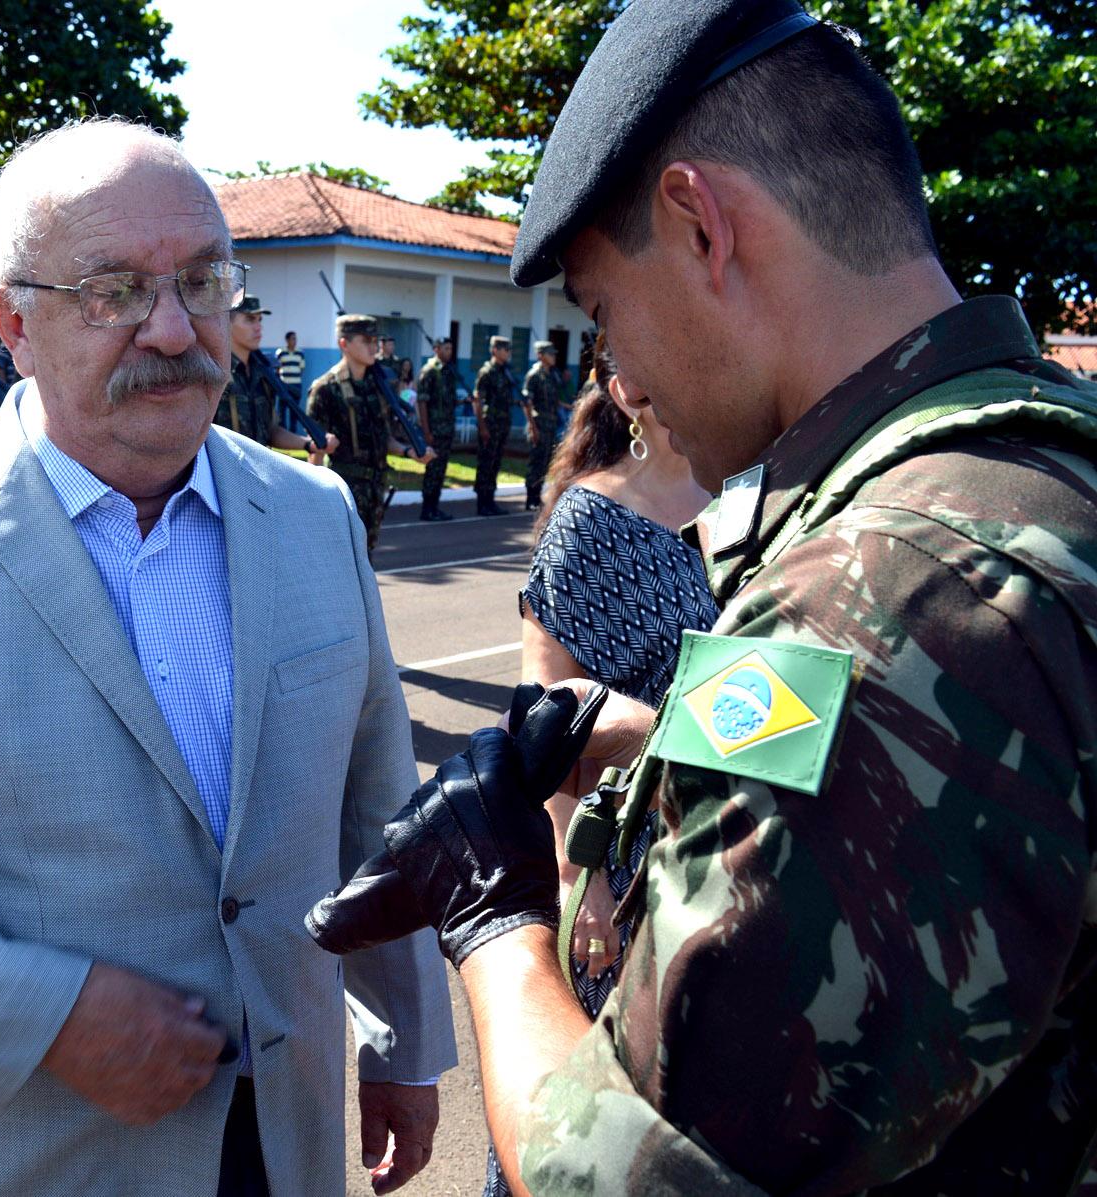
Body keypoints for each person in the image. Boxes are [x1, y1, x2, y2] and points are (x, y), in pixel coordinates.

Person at [306, 1, 1097, 1192]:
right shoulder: (1031, 466)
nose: (615, 377)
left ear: (702, 227)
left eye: (604, 313)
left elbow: (618, 1176)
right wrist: (657, 733)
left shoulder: (879, 584)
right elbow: (934, 743)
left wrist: (491, 910)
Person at [0, 119, 456, 1197]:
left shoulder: (312, 514)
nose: (172, 329)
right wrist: (45, 1013)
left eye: (203, 282)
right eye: (112, 290)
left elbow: (375, 810)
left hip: (280, 1138)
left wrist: (404, 1041)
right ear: (14, 324)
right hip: (33, 1154)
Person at [471, 339, 715, 1197]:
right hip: (624, 851)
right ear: (627, 391)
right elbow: (548, 731)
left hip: (728, 837)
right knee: (593, 1118)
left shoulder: (756, 497)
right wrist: (585, 879)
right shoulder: (591, 522)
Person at [307, 315, 435, 554]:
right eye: (366, 340)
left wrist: (409, 452)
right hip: (343, 492)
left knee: (366, 561)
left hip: (375, 490)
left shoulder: (378, 386)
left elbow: (383, 437)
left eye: (375, 340)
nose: (373, 347)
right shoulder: (326, 389)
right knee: (338, 561)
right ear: (344, 344)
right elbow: (316, 452)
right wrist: (314, 501)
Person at [213, 293, 334, 460]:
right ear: (227, 323)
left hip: (258, 472)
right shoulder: (213, 372)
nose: (258, 327)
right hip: (222, 475)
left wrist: (307, 444)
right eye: (250, 319)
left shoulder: (263, 372)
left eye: (259, 320)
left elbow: (271, 429)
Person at [413, 338, 462, 521]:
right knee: (433, 469)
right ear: (436, 349)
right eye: (446, 348)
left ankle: (435, 506)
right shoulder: (429, 372)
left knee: (440, 470)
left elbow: (448, 400)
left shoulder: (448, 371)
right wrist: (426, 431)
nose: (449, 352)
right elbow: (422, 402)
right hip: (434, 429)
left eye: (451, 348)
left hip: (446, 428)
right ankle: (427, 508)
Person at [521, 341, 568, 510]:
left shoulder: (552, 375)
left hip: (550, 425)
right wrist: (532, 427)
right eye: (550, 354)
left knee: (545, 462)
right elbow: (526, 403)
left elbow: (555, 400)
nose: (554, 357)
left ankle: (537, 496)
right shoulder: (534, 375)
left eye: (554, 354)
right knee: (535, 462)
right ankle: (530, 498)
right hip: (538, 424)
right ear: (540, 355)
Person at [473, 336, 515, 516]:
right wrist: (482, 427)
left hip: (502, 425)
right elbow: (478, 401)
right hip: (490, 425)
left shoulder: (505, 371)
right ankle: (482, 502)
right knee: (485, 463)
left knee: (495, 463)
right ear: (495, 350)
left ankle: (490, 501)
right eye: (505, 349)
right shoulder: (487, 372)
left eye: (509, 349)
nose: (508, 353)